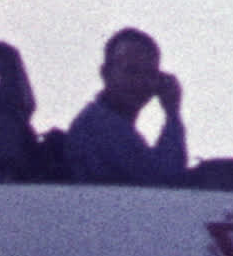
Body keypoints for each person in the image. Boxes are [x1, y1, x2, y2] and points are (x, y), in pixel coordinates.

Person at [66, 27, 191, 185]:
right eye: (131, 71)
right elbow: (166, 183)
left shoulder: (116, 126)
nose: (140, 82)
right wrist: (172, 113)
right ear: (106, 73)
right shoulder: (99, 127)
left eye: (150, 74)